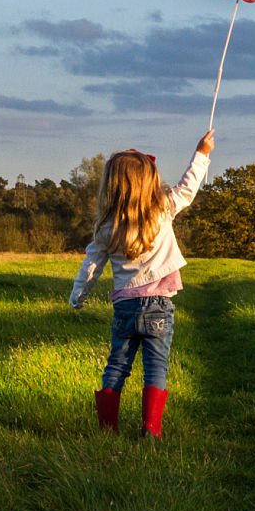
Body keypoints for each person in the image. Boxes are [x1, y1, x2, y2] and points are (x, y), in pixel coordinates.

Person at [69, 129, 215, 439]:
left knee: (116, 367)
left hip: (125, 306)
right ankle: (151, 429)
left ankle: (107, 430)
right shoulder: (162, 208)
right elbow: (188, 188)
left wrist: (77, 297)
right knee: (156, 367)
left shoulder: (107, 226)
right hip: (159, 306)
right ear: (148, 181)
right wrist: (202, 153)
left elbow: (91, 266)